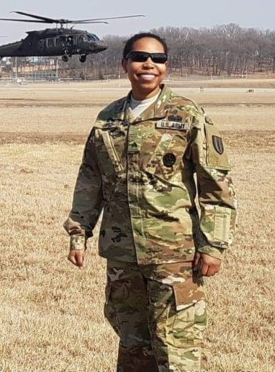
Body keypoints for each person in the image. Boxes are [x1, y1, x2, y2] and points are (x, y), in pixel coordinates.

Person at [63, 32, 237, 372]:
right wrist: (78, 232)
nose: (149, 65)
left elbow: (216, 185)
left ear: (166, 67)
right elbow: (90, 180)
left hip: (174, 256)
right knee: (132, 347)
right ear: (125, 63)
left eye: (158, 59)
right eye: (140, 57)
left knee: (178, 351)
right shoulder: (107, 120)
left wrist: (214, 245)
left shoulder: (187, 115)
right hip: (123, 255)